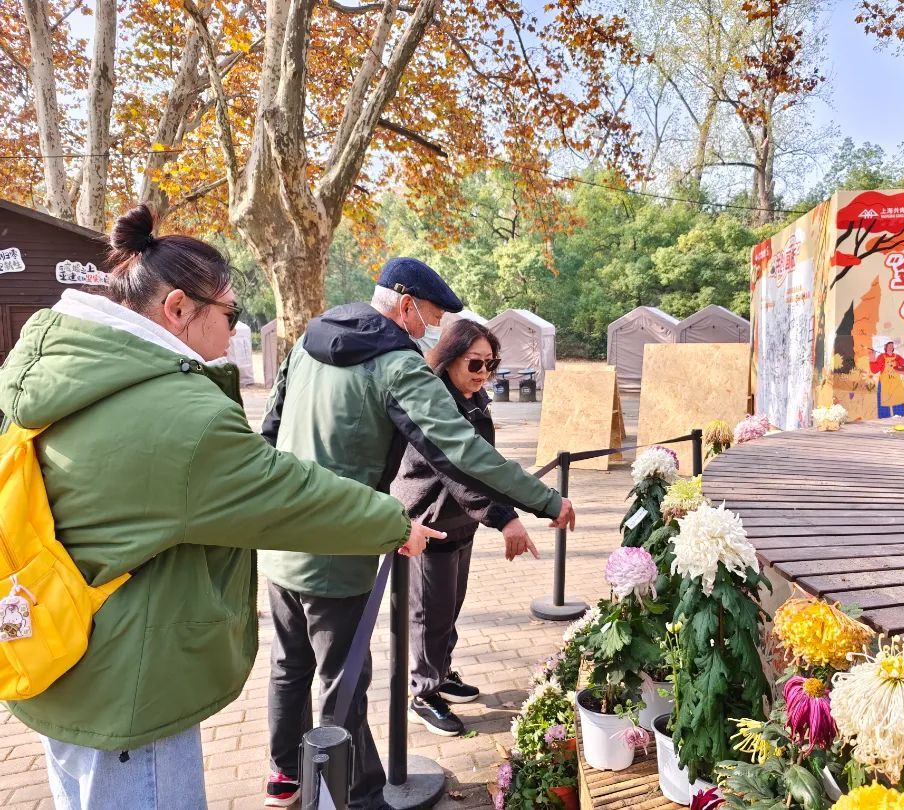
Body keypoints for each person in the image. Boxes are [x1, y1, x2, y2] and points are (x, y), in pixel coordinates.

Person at [0, 206, 441, 810]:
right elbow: (286, 493)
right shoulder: (178, 413)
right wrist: (393, 523)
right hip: (130, 685)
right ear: (179, 308)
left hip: (56, 647)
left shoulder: (55, 368)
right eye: (230, 313)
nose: (234, 329)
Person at [260, 257, 575, 809]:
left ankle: (285, 776)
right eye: (429, 317)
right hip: (339, 547)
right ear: (405, 304)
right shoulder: (395, 363)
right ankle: (358, 798)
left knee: (289, 665)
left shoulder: (307, 341)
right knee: (343, 684)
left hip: (283, 537)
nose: (430, 330)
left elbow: (269, 428)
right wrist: (545, 499)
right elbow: (462, 450)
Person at [390, 319, 538, 737]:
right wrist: (504, 517)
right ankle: (424, 692)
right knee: (428, 615)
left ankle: (441, 672)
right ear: (450, 358)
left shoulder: (474, 398)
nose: (483, 373)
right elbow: (459, 471)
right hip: (428, 523)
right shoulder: (434, 402)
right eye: (475, 364)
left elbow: (487, 466)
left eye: (490, 364)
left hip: (460, 522)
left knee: (449, 608)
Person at [870, 341, 904, 419]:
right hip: (884, 382)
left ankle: (900, 417)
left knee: (898, 399)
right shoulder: (881, 357)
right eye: (889, 345)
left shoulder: (897, 357)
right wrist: (872, 358)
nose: (891, 347)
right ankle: (884, 419)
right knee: (884, 401)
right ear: (885, 347)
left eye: (892, 345)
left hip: (896, 382)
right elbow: (874, 370)